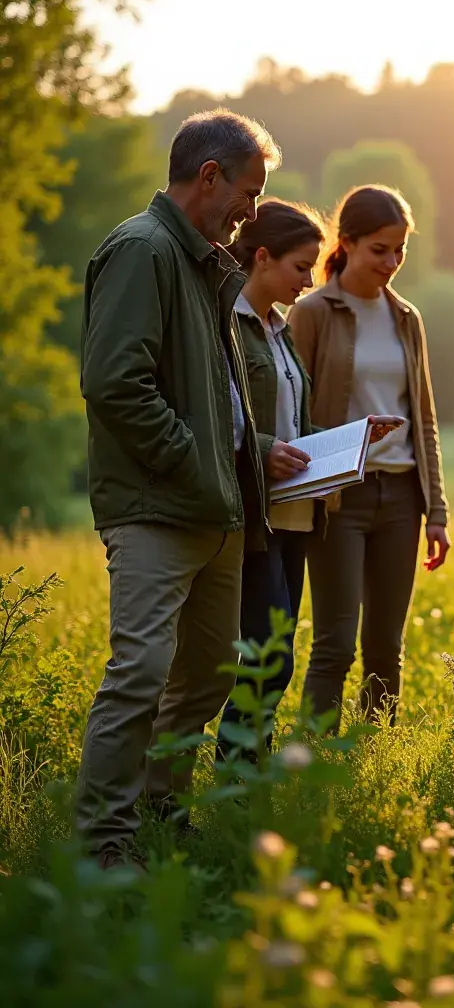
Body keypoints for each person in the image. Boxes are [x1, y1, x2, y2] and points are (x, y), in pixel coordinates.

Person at [77, 109, 281, 867]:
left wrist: (229, 473)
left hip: (215, 510)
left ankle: (161, 818)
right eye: (249, 192)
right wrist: (195, 464)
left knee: (204, 679)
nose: (252, 212)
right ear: (208, 177)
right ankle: (102, 851)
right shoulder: (141, 250)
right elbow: (115, 384)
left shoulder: (202, 262)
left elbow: (212, 393)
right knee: (139, 676)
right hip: (160, 508)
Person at [215, 200, 403, 758]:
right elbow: (218, 416)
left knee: (277, 656)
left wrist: (352, 436)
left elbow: (294, 424)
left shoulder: (277, 329)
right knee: (265, 653)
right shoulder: (226, 324)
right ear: (263, 257)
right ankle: (237, 777)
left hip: (296, 510)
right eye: (300, 266)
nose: (307, 278)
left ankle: (248, 777)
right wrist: (266, 449)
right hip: (253, 511)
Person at [288, 185, 450, 724]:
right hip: (339, 497)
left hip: (402, 497)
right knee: (335, 644)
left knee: (386, 646)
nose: (392, 262)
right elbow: (291, 411)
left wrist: (438, 514)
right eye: (380, 249)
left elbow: (424, 417)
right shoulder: (311, 312)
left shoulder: (408, 317)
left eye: (400, 249)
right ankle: (313, 764)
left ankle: (372, 755)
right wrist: (352, 438)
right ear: (348, 242)